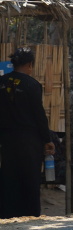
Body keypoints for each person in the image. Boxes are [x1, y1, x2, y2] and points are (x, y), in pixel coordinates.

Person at [0, 48, 55, 218]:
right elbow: (39, 115)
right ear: (30, 65)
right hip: (30, 140)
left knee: (9, 176)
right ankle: (30, 214)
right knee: (30, 176)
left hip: (7, 139)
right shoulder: (32, 85)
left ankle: (7, 214)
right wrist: (47, 139)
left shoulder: (1, 82)